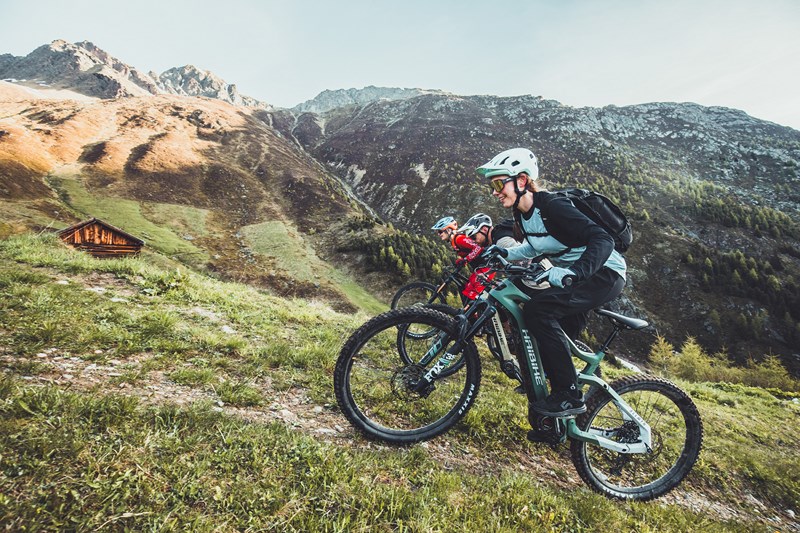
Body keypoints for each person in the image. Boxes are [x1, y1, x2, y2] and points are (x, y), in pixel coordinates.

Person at [475, 147, 627, 423]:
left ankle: (569, 394)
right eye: (492, 186)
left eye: (499, 183)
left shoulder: (553, 206)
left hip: (604, 272)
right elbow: (533, 248)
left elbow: (602, 240)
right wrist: (506, 253)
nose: (495, 192)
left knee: (538, 311)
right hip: (575, 274)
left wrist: (574, 272)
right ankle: (551, 423)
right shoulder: (522, 214)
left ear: (522, 180)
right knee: (540, 327)